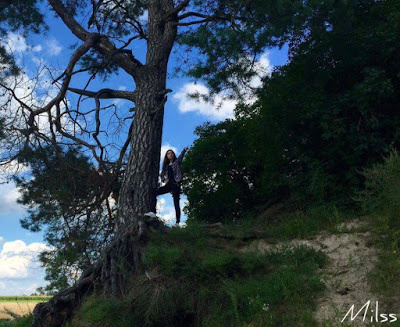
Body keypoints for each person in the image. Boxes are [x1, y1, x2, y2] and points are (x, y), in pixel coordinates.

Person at [155, 146, 189, 227]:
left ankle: (177, 222)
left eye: (171, 153)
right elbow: (162, 175)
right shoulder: (165, 167)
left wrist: (184, 150)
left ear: (173, 155)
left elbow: (181, 157)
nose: (170, 154)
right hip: (168, 185)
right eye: (168, 153)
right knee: (155, 192)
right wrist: (164, 180)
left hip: (175, 185)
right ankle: (152, 212)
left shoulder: (176, 163)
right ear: (166, 156)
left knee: (176, 203)